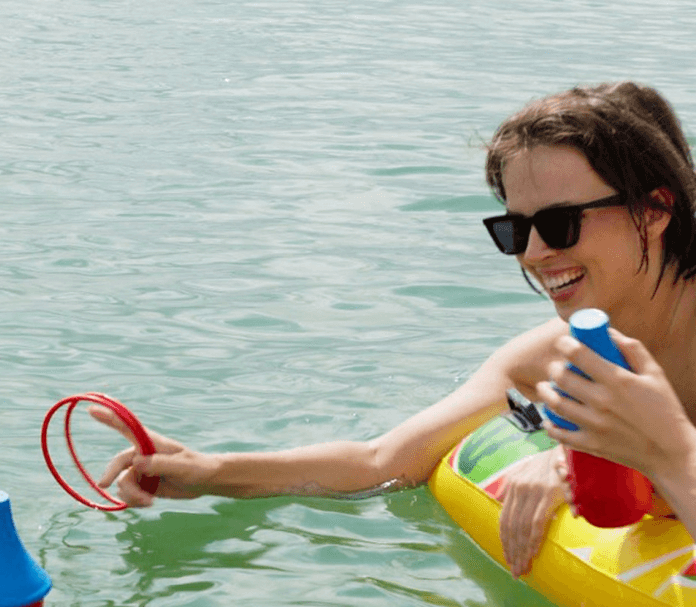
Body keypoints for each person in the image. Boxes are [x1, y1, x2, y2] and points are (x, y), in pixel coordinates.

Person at [93, 82, 696, 577]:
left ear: (653, 210)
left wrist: (584, 467)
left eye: (562, 224)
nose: (536, 253)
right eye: (514, 230)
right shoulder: (547, 359)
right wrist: (210, 473)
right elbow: (383, 460)